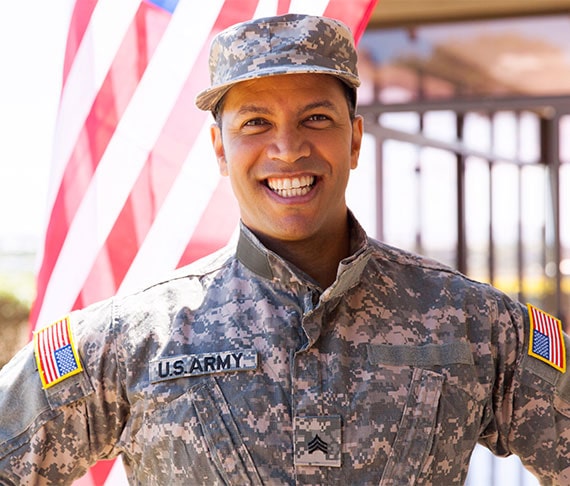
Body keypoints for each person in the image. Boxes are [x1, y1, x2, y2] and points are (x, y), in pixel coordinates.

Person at [0, 12, 569, 485]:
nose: (288, 148)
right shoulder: (129, 338)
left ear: (353, 139)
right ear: (220, 149)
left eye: (316, 118)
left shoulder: (476, 323)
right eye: (255, 122)